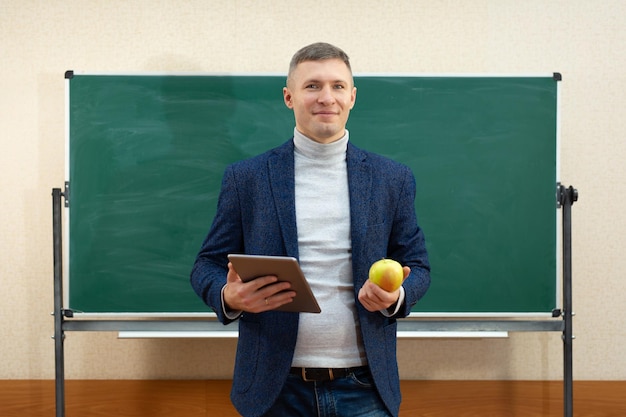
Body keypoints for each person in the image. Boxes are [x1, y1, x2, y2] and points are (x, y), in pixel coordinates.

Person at [191, 42, 430, 417]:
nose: (326, 97)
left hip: (366, 388)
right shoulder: (247, 178)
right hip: (274, 388)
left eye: (337, 86)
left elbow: (418, 266)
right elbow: (205, 265)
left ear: (352, 96)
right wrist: (228, 296)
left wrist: (396, 298)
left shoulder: (392, 178)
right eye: (312, 86)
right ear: (289, 97)